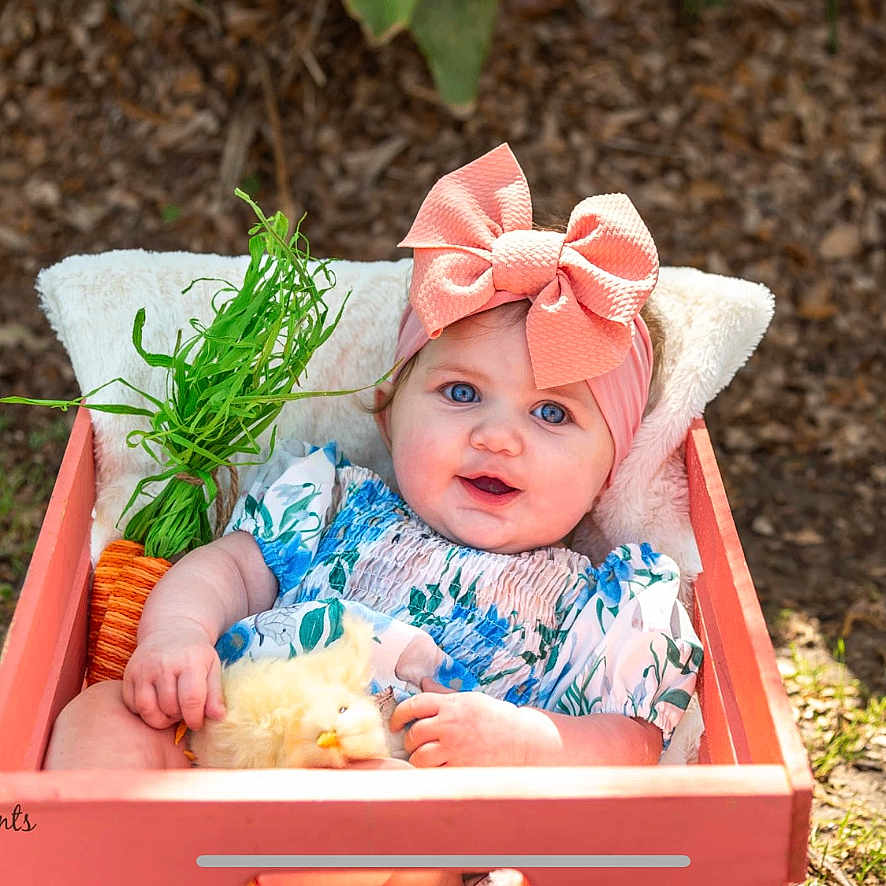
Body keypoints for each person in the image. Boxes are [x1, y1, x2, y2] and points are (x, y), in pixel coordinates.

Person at [45, 144, 702, 882]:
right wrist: (177, 637)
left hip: (395, 799)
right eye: (460, 394)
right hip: (226, 751)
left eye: (552, 413)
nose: (496, 435)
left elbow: (631, 741)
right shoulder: (333, 502)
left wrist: (523, 740)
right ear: (389, 413)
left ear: (608, 471)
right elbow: (225, 567)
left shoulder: (595, 603)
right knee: (103, 715)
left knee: (379, 818)